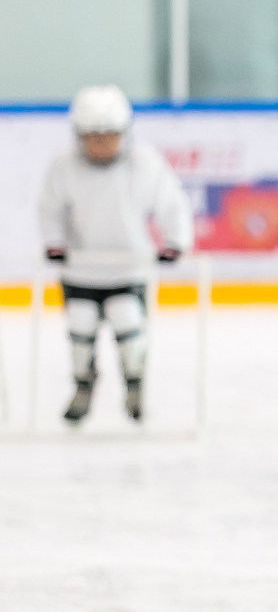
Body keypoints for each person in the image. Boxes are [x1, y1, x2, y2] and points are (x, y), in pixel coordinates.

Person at [37, 85, 192, 424]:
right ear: (79, 136)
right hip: (81, 269)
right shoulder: (64, 167)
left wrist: (176, 240)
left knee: (129, 324)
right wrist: (54, 242)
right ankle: (83, 385)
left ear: (125, 133)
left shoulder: (144, 163)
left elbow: (171, 202)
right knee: (80, 328)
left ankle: (134, 387)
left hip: (128, 267)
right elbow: (49, 208)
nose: (101, 144)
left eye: (109, 136)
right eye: (93, 136)